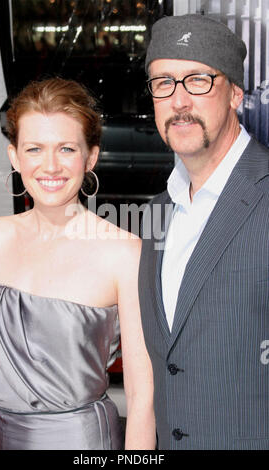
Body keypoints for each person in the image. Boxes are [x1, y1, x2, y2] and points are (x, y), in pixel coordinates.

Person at [0, 77, 155, 450]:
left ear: (91, 157)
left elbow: (141, 397)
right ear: (14, 156)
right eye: (35, 148)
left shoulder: (124, 253)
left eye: (67, 148)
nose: (50, 166)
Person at [139, 14, 269, 450]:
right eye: (163, 83)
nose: (178, 101)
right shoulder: (156, 214)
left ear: (235, 93)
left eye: (197, 80)